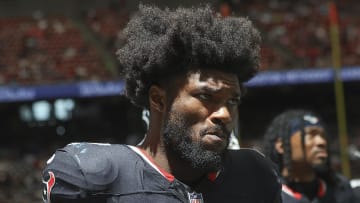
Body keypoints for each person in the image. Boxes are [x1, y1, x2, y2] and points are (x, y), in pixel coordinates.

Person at [42, 4, 282, 203]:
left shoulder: (255, 175)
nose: (225, 114)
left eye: (232, 100)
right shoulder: (90, 175)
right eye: (206, 97)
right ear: (158, 99)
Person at [263, 109, 357, 203]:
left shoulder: (342, 190)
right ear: (281, 146)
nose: (322, 142)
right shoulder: (267, 195)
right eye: (311, 135)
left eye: (323, 136)